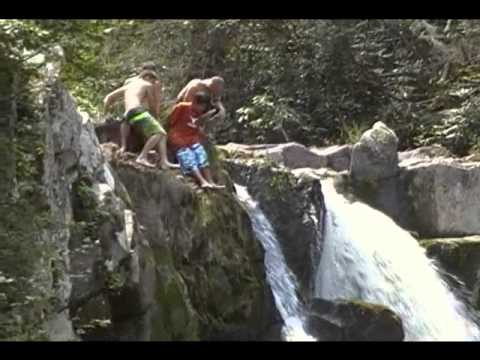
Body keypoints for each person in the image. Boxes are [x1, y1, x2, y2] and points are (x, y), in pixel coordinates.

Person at [103, 69, 178, 169]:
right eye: (152, 81)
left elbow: (108, 98)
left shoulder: (129, 85)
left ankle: (164, 161)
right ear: (147, 77)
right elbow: (152, 106)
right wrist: (156, 117)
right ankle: (142, 156)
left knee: (162, 134)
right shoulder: (147, 85)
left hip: (127, 116)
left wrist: (106, 113)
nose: (153, 84)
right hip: (138, 111)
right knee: (160, 133)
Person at [168, 91, 225, 189]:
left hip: (192, 138)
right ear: (194, 102)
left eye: (203, 106)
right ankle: (202, 181)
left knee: (201, 154)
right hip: (178, 137)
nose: (200, 108)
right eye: (199, 105)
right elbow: (171, 121)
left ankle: (210, 181)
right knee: (188, 156)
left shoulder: (201, 113)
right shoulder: (182, 107)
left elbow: (198, 127)